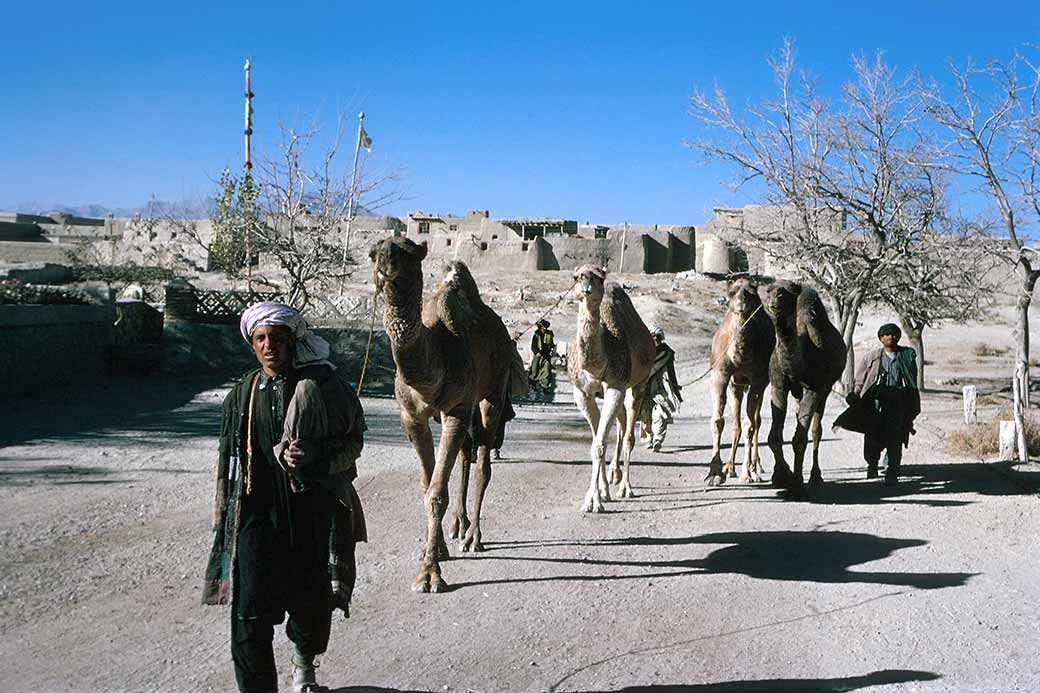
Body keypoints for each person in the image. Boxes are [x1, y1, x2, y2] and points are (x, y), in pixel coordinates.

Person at [203, 302, 367, 693]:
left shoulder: (322, 388)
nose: (269, 345)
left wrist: (315, 455)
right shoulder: (240, 395)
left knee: (311, 601)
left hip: (309, 511)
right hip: (256, 514)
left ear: (293, 343)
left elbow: (353, 441)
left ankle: (304, 665)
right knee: (249, 614)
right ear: (252, 345)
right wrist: (224, 515)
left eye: (277, 338)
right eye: (261, 339)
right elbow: (228, 463)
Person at [845, 323, 920, 486]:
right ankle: (872, 464)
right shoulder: (871, 357)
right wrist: (855, 394)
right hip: (875, 403)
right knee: (873, 436)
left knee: (896, 436)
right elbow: (860, 380)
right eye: (886, 335)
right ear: (881, 338)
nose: (890, 337)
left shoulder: (907, 355)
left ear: (898, 337)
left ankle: (892, 470)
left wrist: (911, 402)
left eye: (893, 334)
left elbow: (912, 379)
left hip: (898, 402)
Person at [640, 327, 683, 451]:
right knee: (645, 415)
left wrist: (675, 386)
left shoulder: (666, 353)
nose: (656, 340)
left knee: (660, 414)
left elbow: (671, 372)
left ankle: (657, 440)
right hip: (644, 389)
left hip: (661, 389)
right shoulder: (643, 352)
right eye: (653, 337)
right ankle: (649, 437)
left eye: (657, 337)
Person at [528, 318, 556, 401]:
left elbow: (551, 344)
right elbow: (533, 346)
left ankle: (545, 386)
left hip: (546, 356)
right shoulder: (536, 335)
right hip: (538, 355)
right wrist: (537, 353)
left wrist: (551, 348)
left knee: (546, 371)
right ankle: (533, 384)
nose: (544, 328)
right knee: (534, 370)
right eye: (543, 327)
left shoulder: (549, 334)